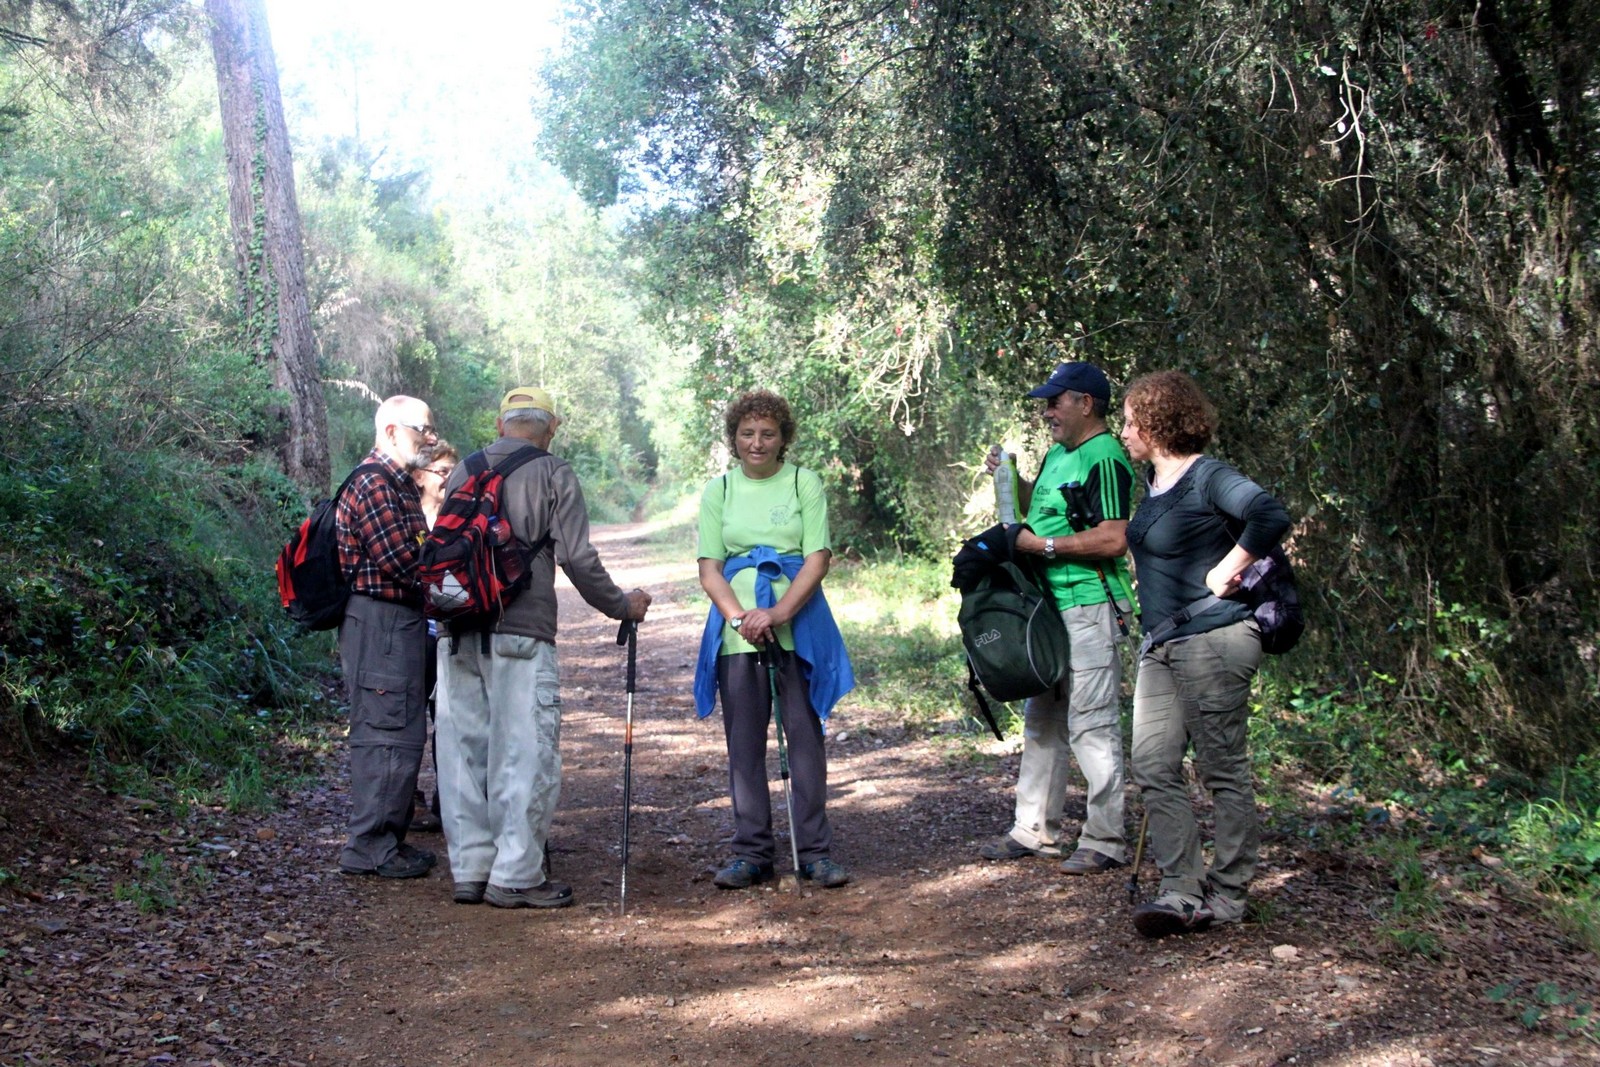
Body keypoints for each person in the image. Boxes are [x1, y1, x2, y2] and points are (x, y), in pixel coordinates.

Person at [434, 387, 651, 909]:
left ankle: (471, 869)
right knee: (524, 753)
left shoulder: (463, 471)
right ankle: (515, 875)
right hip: (521, 632)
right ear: (552, 427)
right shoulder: (554, 473)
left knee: (463, 754)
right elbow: (577, 559)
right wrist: (622, 605)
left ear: (500, 423)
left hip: (456, 628)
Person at [1119, 370, 1291, 937]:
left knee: (1221, 769)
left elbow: (1269, 514)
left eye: (1130, 422)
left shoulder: (1208, 476)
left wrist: (1228, 567)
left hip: (1215, 639)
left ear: (1156, 424)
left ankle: (1230, 893)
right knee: (1152, 765)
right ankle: (1182, 889)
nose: (1125, 432)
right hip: (1161, 645)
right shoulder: (1154, 484)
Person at [978, 361, 1136, 876]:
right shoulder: (1058, 455)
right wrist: (1011, 480)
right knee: (1043, 718)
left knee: (1092, 723)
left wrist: (1042, 547)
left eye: (1055, 402)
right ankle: (1033, 831)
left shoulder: (1105, 456)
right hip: (1047, 608)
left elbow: (1114, 537)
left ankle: (1105, 839)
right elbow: (1043, 509)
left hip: (1089, 605)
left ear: (1085, 404)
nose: (1047, 412)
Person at [694, 390, 856, 890]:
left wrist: (779, 613)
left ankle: (815, 853)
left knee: (805, 739)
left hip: (798, 627)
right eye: (747, 433)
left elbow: (817, 558)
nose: (757, 443)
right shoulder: (719, 490)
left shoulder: (804, 482)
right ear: (734, 438)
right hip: (737, 635)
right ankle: (751, 853)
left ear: (784, 438)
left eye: (767, 433)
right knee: (743, 745)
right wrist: (740, 618)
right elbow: (709, 568)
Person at [334, 395, 440, 879]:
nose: (431, 438)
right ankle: (369, 847)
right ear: (392, 431)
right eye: (423, 429)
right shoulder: (375, 483)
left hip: (397, 622)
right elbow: (403, 560)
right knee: (385, 731)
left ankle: (386, 841)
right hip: (381, 624)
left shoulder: (396, 483)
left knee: (402, 729)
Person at [407, 440, 460, 833]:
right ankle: (407, 799)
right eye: (442, 472)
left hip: (449, 633)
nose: (449, 479)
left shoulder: (461, 517)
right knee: (409, 721)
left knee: (449, 719)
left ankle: (450, 800)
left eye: (453, 472)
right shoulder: (406, 517)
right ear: (419, 476)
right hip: (413, 635)